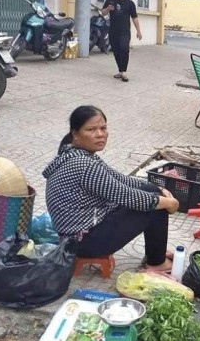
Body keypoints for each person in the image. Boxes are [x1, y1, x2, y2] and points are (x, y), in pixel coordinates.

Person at [43, 106, 179, 275]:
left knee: (149, 190)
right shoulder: (83, 165)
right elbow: (127, 196)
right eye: (91, 129)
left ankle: (156, 252)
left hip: (79, 234)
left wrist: (160, 189)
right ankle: (156, 262)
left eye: (103, 128)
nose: (100, 134)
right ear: (75, 134)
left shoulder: (78, 154)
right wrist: (169, 203)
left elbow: (121, 179)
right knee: (153, 206)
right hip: (84, 241)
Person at [102, 0, 142, 82]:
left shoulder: (130, 4)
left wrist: (138, 31)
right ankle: (120, 70)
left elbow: (135, 18)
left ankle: (124, 72)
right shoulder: (110, 1)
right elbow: (103, 13)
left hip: (124, 32)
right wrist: (108, 9)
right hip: (113, 31)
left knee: (124, 49)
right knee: (116, 51)